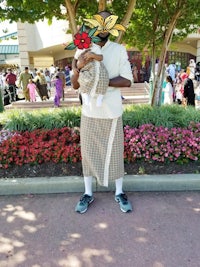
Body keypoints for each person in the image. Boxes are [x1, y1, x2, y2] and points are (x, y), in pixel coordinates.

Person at [71, 10, 133, 214]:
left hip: (112, 112)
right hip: (89, 112)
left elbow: (127, 80)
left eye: (108, 23)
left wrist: (98, 84)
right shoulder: (83, 48)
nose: (103, 28)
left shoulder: (119, 49)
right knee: (87, 154)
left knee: (116, 153)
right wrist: (78, 68)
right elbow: (75, 85)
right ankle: (88, 193)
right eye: (100, 23)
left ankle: (119, 192)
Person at [70, 28, 109, 107]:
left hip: (97, 68)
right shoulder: (80, 49)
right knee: (84, 78)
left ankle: (100, 97)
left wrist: (93, 55)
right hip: (86, 69)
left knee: (104, 78)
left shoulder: (95, 47)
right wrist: (74, 68)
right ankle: (85, 94)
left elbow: (101, 57)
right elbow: (74, 59)